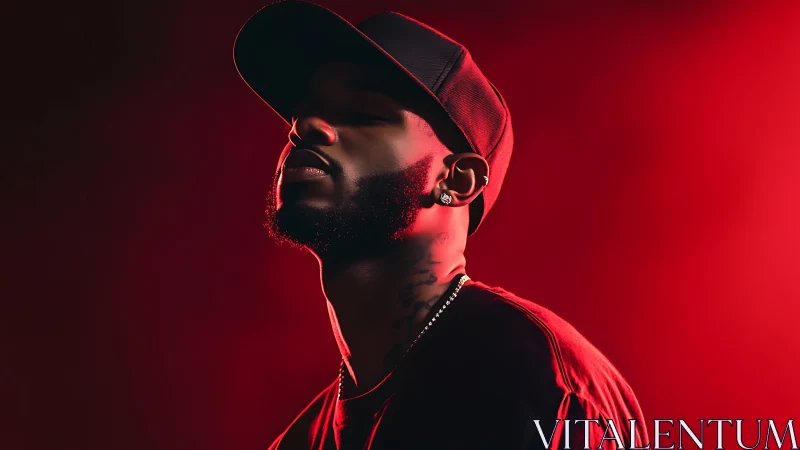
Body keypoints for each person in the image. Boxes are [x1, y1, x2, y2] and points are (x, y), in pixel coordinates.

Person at [233, 1, 649, 448]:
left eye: (364, 113)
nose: (306, 127)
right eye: (302, 114)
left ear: (456, 180)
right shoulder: (297, 441)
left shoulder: (536, 377)